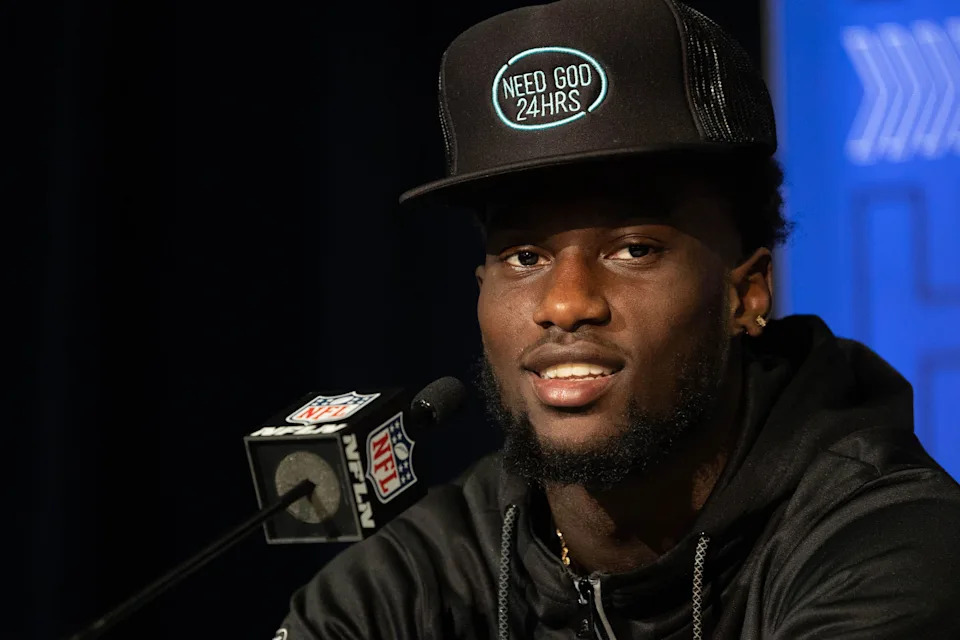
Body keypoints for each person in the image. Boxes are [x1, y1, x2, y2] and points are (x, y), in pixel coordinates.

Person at [277, 0, 960, 637]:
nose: (566, 304)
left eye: (635, 249)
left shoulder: (889, 545)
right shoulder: (415, 576)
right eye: (524, 255)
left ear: (747, 294)